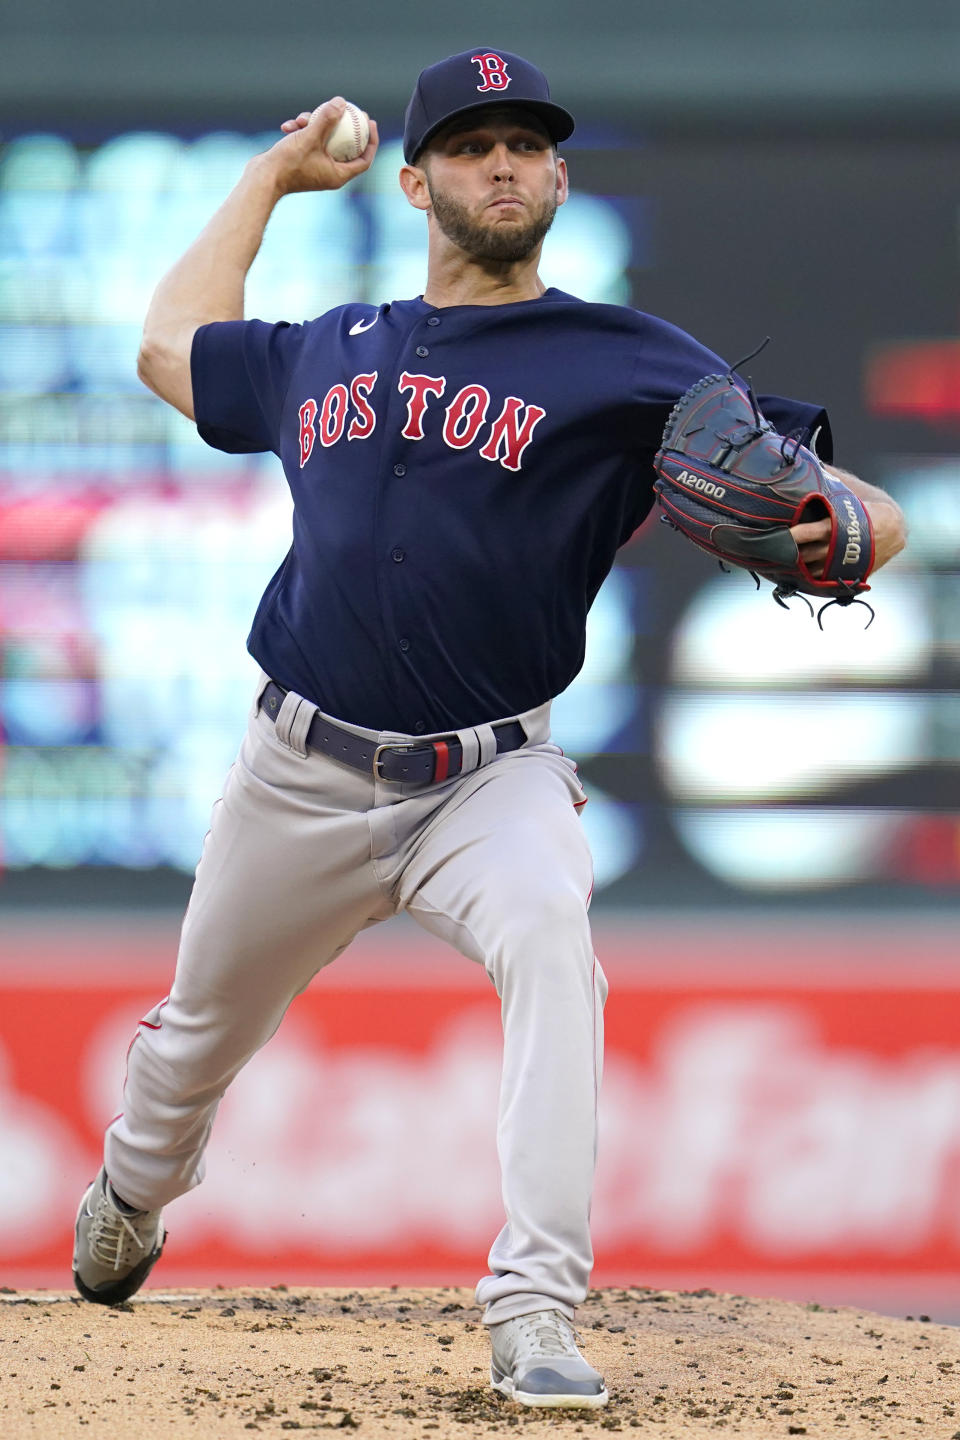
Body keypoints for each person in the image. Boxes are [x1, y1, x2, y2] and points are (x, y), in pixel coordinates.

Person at [71, 47, 907, 1409]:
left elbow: (826, 491)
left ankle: (534, 1307)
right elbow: (169, 346)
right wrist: (272, 176)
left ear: (563, 178)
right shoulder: (327, 348)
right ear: (414, 181)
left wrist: (852, 518)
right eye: (471, 145)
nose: (503, 163)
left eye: (527, 144)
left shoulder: (632, 358)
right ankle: (135, 1191)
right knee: (190, 1046)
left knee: (552, 944)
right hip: (298, 774)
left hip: (492, 778)